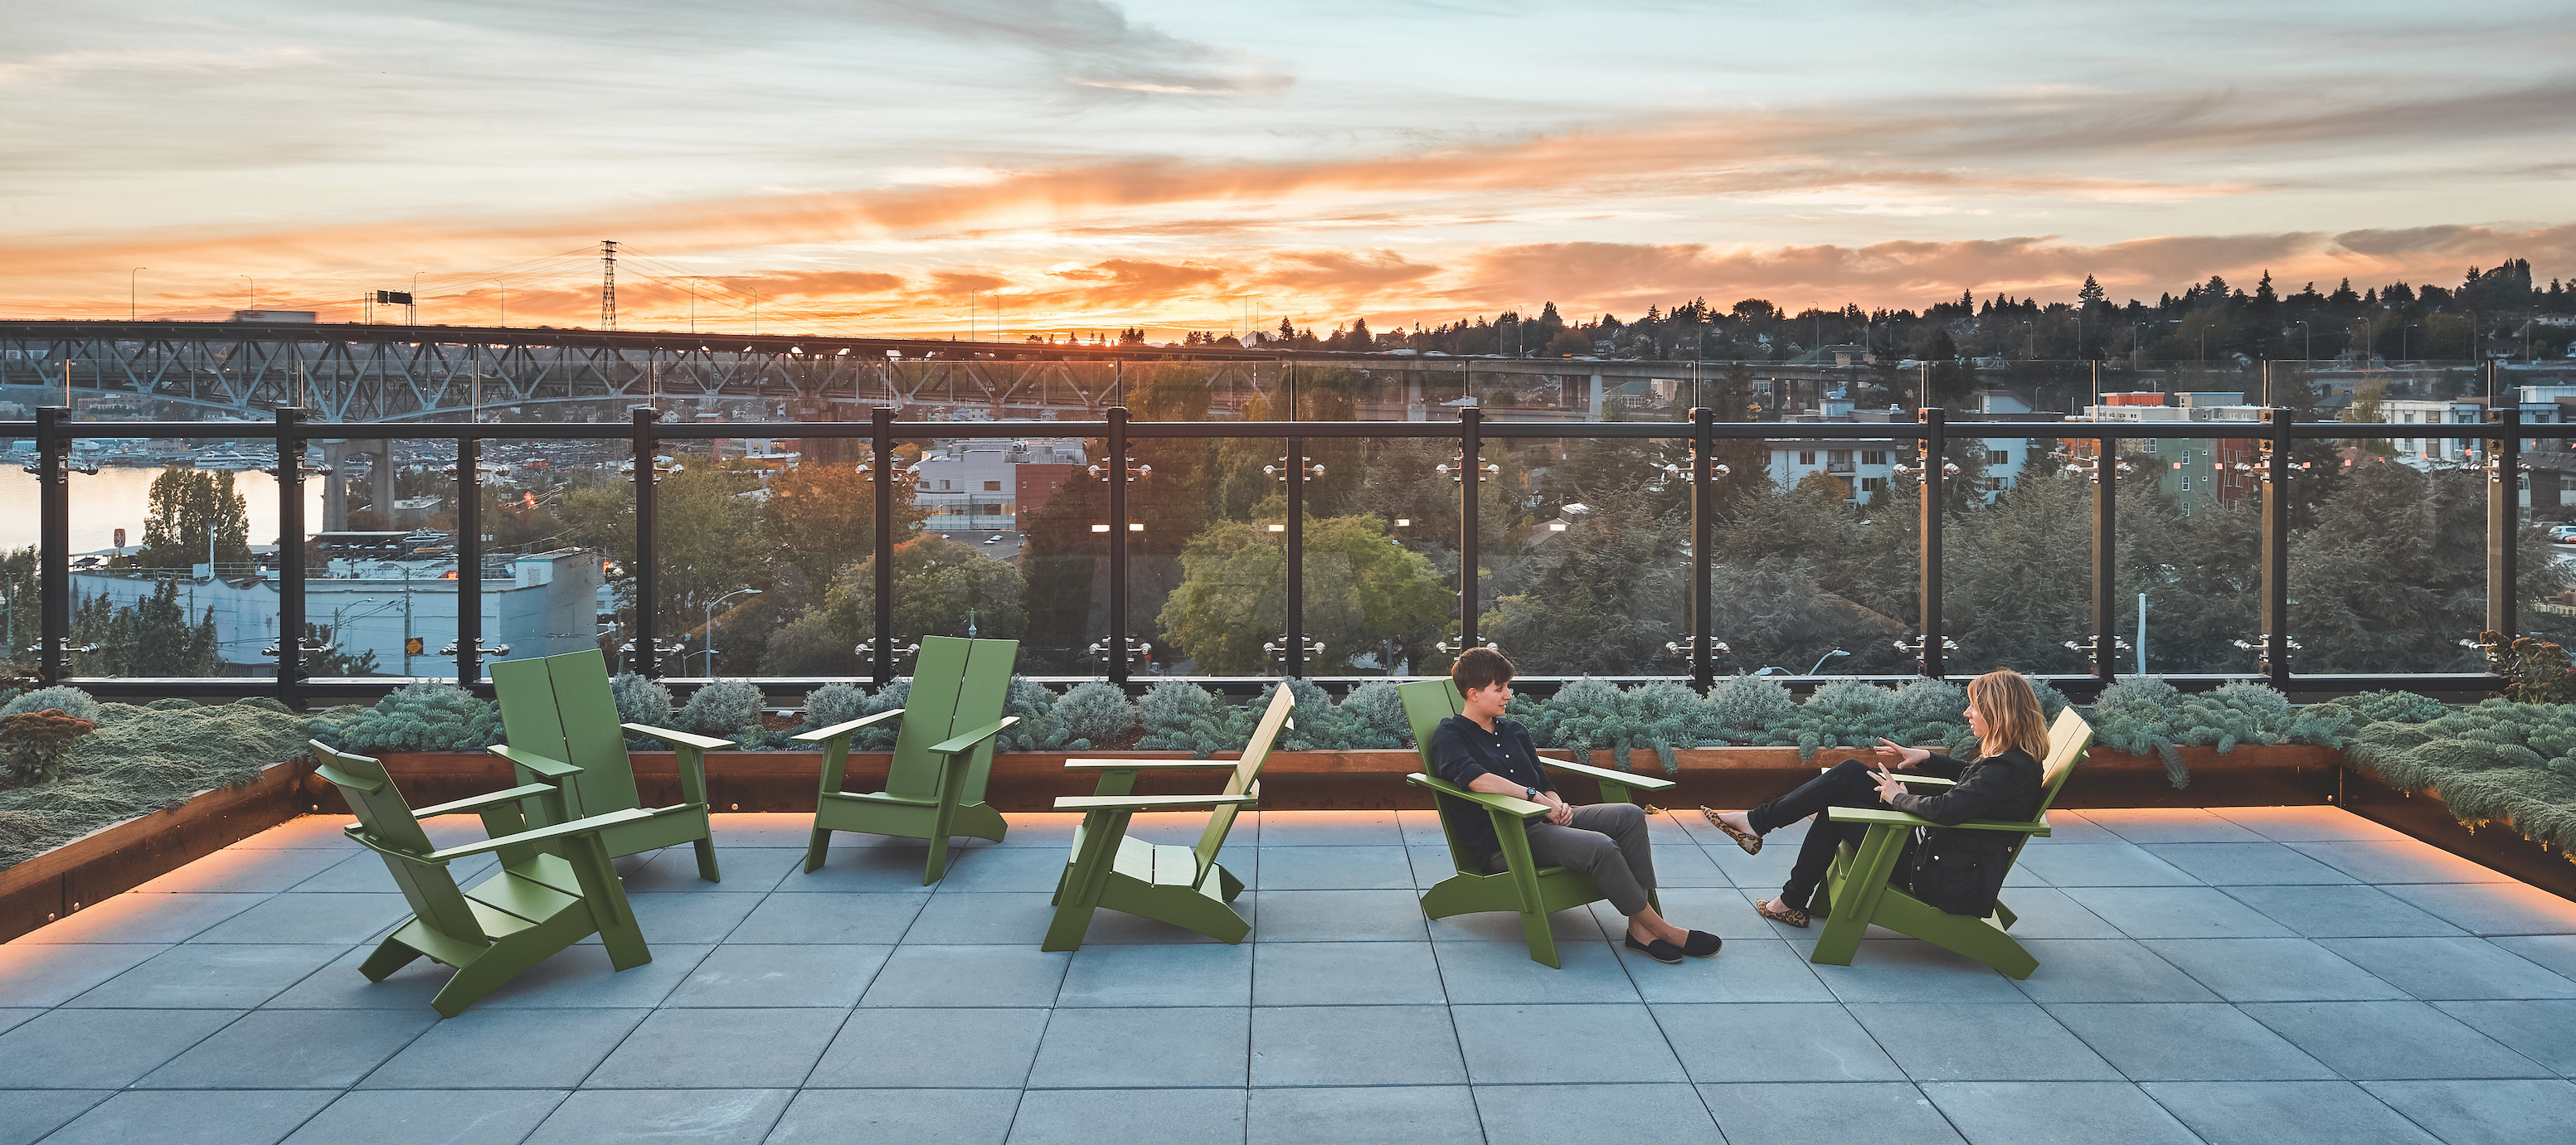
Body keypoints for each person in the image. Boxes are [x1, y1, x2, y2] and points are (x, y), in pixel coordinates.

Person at [1430, 648, 1720, 964]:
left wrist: (1558, 805)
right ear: (1473, 694)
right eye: (1499, 689)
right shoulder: (1451, 734)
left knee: (1630, 815)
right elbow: (1476, 779)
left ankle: (1640, 929)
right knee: (1601, 847)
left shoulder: (1514, 730)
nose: (1509, 695)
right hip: (1508, 838)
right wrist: (1537, 799)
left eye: (1507, 687)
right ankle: (1663, 929)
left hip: (1544, 821)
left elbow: (1543, 781)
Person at [1701, 669, 2049, 927]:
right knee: (1850, 775)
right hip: (1941, 861)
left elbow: (1947, 809)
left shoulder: (2006, 769)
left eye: (1973, 707)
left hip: (1940, 877)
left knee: (1838, 807)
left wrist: (1898, 798)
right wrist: (1928, 757)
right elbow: (1973, 783)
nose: (1966, 713)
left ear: (1998, 713)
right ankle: (1772, 859)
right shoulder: (2013, 762)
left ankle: (1770, 855)